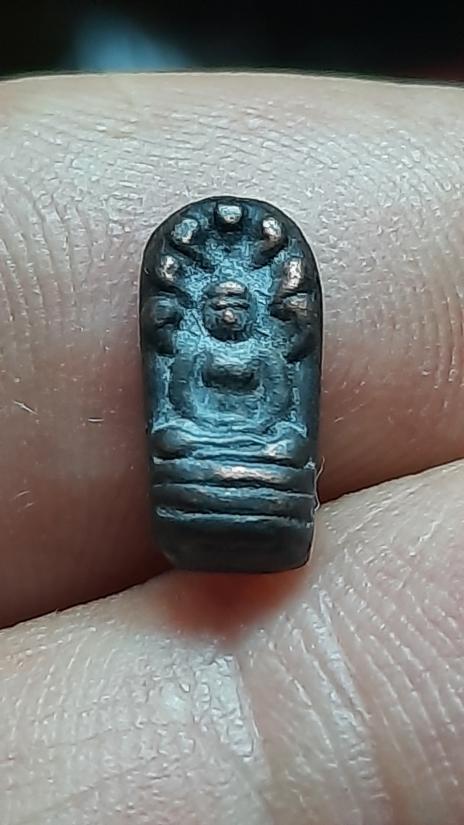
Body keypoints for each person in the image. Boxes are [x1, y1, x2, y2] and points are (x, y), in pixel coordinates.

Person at [0, 71, 462, 824]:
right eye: (213, 302)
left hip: (259, 449)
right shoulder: (190, 353)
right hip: (203, 448)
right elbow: (179, 410)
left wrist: (268, 442)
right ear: (201, 306)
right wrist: (199, 438)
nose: (222, 312)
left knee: (284, 447)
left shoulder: (268, 354)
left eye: (234, 302)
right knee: (176, 439)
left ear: (251, 307)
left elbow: (282, 413)